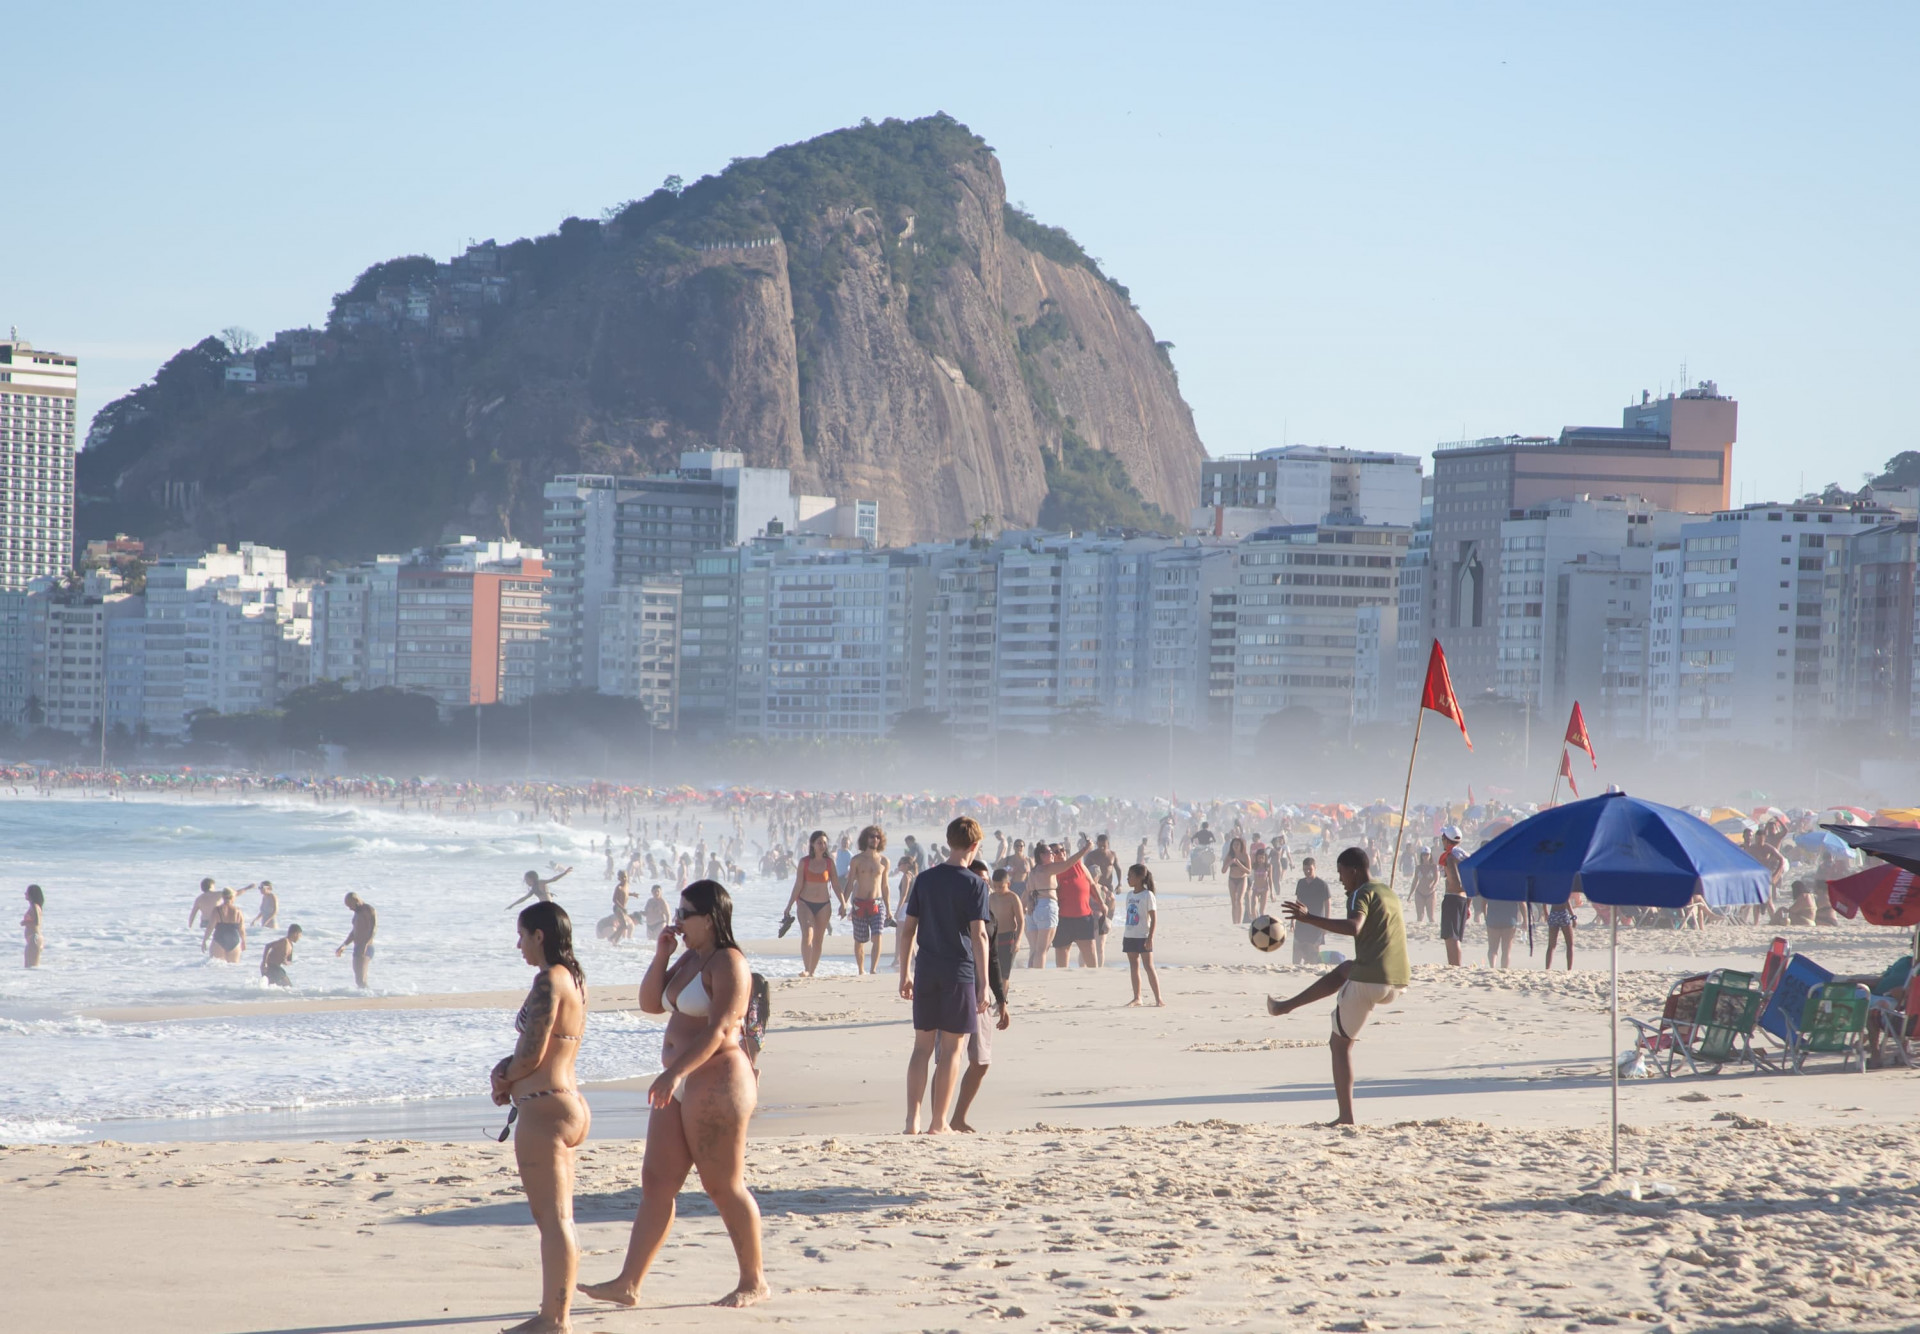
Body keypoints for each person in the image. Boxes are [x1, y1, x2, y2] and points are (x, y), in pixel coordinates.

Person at [580, 880, 767, 1310]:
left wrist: (676, 1072)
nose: (678, 920)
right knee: (657, 1182)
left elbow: (720, 1030)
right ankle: (629, 1282)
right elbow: (650, 1003)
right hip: (680, 1080)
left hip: (717, 1080)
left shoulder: (729, 963)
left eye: (686, 913)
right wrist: (662, 952)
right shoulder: (689, 957)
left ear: (711, 917)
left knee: (723, 1185)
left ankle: (753, 1280)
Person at [492, 901, 591, 1334]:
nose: (518, 945)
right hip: (563, 1100)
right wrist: (508, 1070)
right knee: (558, 1218)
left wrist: (503, 1078)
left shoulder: (548, 980)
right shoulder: (572, 978)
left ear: (540, 936)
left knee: (553, 1220)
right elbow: (547, 1048)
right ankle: (555, 1312)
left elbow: (531, 1054)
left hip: (546, 1109)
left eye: (522, 935)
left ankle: (554, 1318)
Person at [1267, 847, 1410, 1125]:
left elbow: (1355, 927)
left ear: (1353, 870)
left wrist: (1309, 919)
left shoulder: (1360, 894)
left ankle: (1345, 1117)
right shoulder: (1388, 892)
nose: (1341, 879)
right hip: (1399, 980)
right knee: (1345, 969)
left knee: (1339, 1045)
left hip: (1372, 980)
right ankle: (1286, 1006)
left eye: (1342, 872)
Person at [898, 817, 991, 1135]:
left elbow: (908, 928)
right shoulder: (975, 884)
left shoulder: (925, 879)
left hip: (926, 968)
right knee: (952, 1048)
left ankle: (912, 1120)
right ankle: (938, 1123)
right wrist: (985, 984)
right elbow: (979, 935)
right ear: (975, 845)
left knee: (921, 1047)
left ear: (949, 841)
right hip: (958, 971)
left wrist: (904, 973)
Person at [952, 861, 1013, 1135]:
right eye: (977, 880)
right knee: (949, 1058)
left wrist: (1002, 1000)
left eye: (985, 881)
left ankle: (957, 1118)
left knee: (981, 1062)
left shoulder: (989, 916)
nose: (983, 885)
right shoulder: (953, 912)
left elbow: (994, 960)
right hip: (957, 987)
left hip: (983, 993)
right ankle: (937, 1121)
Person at [784, 830, 843, 977]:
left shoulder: (829, 863)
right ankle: (806, 968)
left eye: (824, 843)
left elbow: (836, 884)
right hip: (805, 903)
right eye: (819, 843)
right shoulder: (804, 862)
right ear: (812, 844)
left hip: (824, 905)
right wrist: (789, 905)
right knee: (807, 934)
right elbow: (798, 885)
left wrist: (843, 903)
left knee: (818, 939)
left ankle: (812, 971)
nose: (822, 845)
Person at [1035, 841, 1097, 969]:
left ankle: (1095, 982)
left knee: (1090, 956)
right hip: (1063, 918)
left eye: (1062, 849)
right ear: (1051, 855)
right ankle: (1063, 985)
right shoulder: (1050, 870)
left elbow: (1092, 885)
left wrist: (1101, 904)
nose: (1061, 853)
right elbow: (1034, 889)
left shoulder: (1079, 865)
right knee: (1062, 958)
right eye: (1056, 851)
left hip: (1083, 916)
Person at [845, 825, 892, 976]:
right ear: (866, 838)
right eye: (872, 836)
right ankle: (861, 970)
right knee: (859, 940)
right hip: (859, 904)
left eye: (878, 837)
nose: (875, 839)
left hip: (877, 903)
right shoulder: (857, 860)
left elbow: (885, 886)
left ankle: (872, 969)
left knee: (877, 936)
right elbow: (850, 883)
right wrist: (843, 903)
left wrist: (889, 909)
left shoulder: (884, 861)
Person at [1122, 864, 1163, 1007]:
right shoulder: (1129, 895)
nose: (1128, 878)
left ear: (1139, 878)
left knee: (1149, 967)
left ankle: (1158, 998)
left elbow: (1153, 918)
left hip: (1143, 936)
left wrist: (1150, 937)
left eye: (1130, 876)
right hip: (1129, 935)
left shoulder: (1148, 895)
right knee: (1134, 966)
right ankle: (1137, 997)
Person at [986, 868, 1024, 993]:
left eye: (1000, 887)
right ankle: (999, 997)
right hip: (994, 938)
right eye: (995, 886)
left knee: (1004, 973)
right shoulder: (991, 898)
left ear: (1008, 884)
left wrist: (1018, 941)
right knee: (994, 971)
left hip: (1009, 938)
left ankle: (1002, 1001)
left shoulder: (1013, 898)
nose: (997, 889)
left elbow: (1021, 921)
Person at [1437, 826, 1469, 967]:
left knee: (1451, 938)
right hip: (1462, 899)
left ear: (1446, 839)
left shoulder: (1451, 857)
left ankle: (1454, 966)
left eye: (1442, 838)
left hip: (1453, 898)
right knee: (1454, 937)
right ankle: (1455, 966)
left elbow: (1455, 882)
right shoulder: (1463, 855)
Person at [1290, 858, 1330, 964]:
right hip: (1301, 922)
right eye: (1305, 869)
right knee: (1297, 952)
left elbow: (1327, 904)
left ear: (1315, 868)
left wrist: (1326, 924)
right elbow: (1298, 901)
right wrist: (1292, 920)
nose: (1307, 871)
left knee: (1313, 955)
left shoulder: (1322, 884)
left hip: (1316, 923)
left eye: (1309, 869)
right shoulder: (1301, 883)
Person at [336, 892, 377, 989]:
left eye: (350, 905)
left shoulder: (369, 910)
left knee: (361, 979)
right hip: (358, 947)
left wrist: (366, 944)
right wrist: (344, 945)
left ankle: (369, 998)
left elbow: (373, 929)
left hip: (366, 947)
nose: (350, 908)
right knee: (359, 979)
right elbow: (354, 932)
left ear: (356, 901)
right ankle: (365, 996)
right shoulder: (357, 914)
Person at [508, 866, 574, 912]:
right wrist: (512, 905)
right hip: (543, 906)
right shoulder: (533, 889)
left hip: (548, 905)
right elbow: (524, 898)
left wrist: (564, 873)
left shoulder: (540, 882)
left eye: (527, 879)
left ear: (532, 879)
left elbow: (553, 879)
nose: (526, 881)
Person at [206, 888, 247, 963]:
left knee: (215, 967)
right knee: (233, 968)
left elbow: (210, 927)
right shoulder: (238, 911)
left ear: (223, 897)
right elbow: (241, 929)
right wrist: (244, 941)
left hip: (219, 938)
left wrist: (205, 940)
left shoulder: (217, 910)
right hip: (234, 940)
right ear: (232, 897)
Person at [1484, 895, 1521, 969]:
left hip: (1493, 919)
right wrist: (1525, 920)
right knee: (1506, 950)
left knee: (1492, 948)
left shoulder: (1491, 885)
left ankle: (1492, 967)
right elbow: (1522, 903)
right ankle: (1504, 969)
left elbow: (1483, 902)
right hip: (1509, 920)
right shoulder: (1514, 886)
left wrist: (1486, 916)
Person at [1544, 893, 1578, 970]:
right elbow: (1567, 902)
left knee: (1551, 945)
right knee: (1569, 944)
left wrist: (1546, 913)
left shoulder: (1550, 888)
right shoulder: (1563, 887)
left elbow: (1544, 900)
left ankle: (1547, 968)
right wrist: (1573, 917)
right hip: (1563, 914)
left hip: (1553, 914)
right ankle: (1569, 969)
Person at [188, 877, 222, 950]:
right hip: (217, 923)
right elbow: (233, 894)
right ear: (211, 885)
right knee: (216, 942)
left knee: (205, 940)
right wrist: (247, 888)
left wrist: (190, 925)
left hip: (204, 923)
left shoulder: (199, 898)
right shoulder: (218, 894)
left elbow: (193, 913)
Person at [1224, 837, 1251, 924]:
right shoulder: (1229, 856)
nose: (1235, 846)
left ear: (1241, 846)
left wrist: (1239, 863)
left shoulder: (1245, 856)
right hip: (1232, 879)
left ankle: (1239, 922)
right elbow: (1223, 870)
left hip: (1242, 879)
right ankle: (1234, 922)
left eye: (1237, 844)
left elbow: (1249, 871)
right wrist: (1230, 863)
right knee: (1233, 901)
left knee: (1239, 900)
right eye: (1234, 844)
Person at [1410, 849, 1438, 925]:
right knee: (1420, 916)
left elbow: (1436, 879)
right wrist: (1410, 894)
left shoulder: (1434, 867)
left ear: (1430, 855)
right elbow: (1415, 881)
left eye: (1427, 854)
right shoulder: (1418, 867)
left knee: (1431, 916)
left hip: (1431, 893)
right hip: (1419, 892)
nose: (1425, 856)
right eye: (1424, 854)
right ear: (1421, 856)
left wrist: (1433, 886)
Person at [22, 883, 44, 969]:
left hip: (35, 937)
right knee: (27, 966)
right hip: (32, 938)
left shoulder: (34, 906)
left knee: (31, 967)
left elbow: (37, 922)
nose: (25, 894)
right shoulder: (32, 906)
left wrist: (25, 923)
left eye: (27, 892)